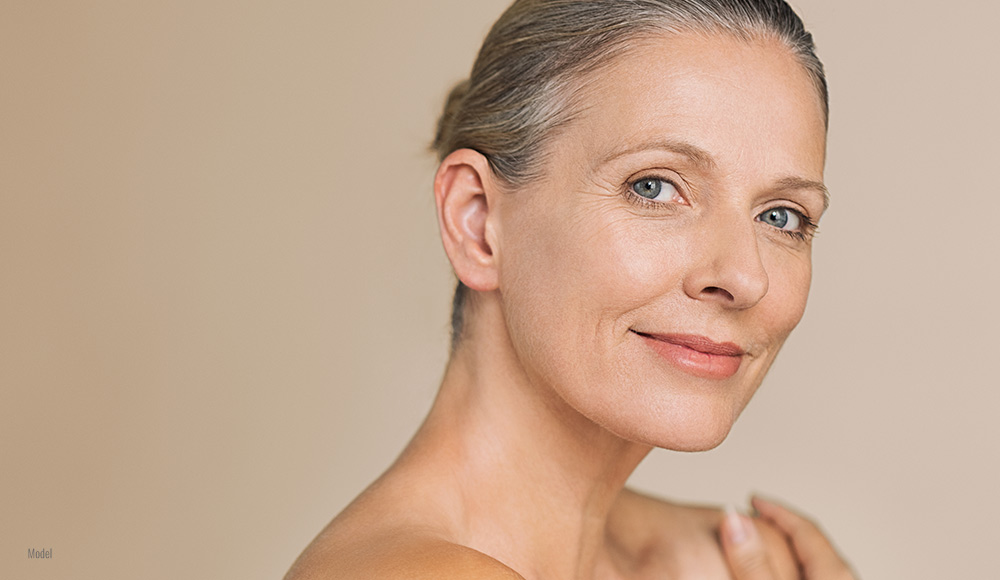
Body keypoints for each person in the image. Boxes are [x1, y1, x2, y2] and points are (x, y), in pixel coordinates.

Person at [286, 0, 856, 578]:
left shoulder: (727, 563)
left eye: (782, 217)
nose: (744, 277)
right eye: (654, 187)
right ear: (477, 220)